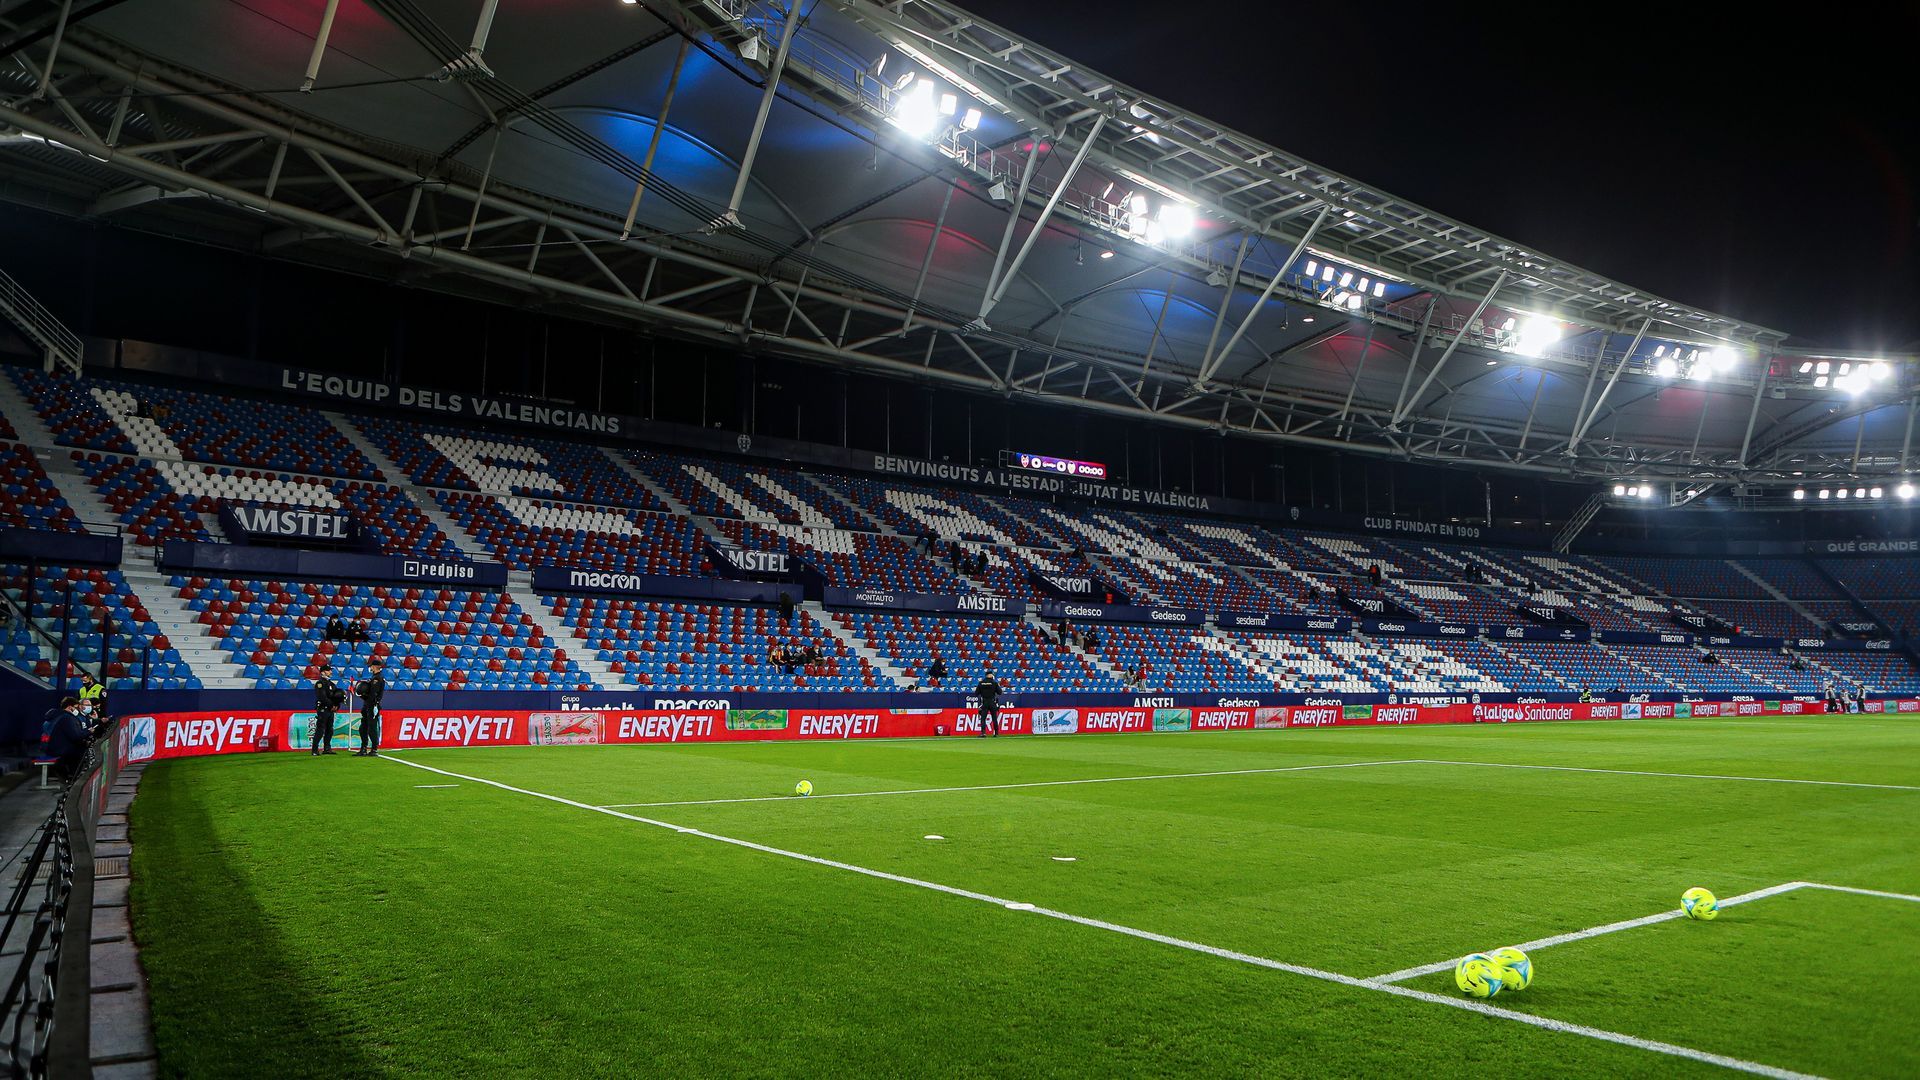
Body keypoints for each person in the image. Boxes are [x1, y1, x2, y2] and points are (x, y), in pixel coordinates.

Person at [40, 697, 93, 778]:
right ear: (69, 707)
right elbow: (76, 736)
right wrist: (89, 732)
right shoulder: (67, 718)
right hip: (57, 749)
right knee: (81, 750)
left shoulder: (56, 715)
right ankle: (74, 777)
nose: (77, 710)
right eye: (75, 708)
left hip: (48, 747)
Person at [354, 659, 386, 756]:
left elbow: (373, 694)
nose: (370, 667)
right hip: (368, 705)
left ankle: (374, 749)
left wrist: (363, 695)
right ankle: (364, 748)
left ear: (375, 667)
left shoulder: (377, 679)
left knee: (372, 728)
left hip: (372, 706)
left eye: (371, 666)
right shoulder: (374, 677)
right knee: (363, 728)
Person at [312, 662, 344, 755]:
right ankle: (314, 749)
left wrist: (337, 705)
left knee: (330, 729)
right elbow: (322, 697)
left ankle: (327, 748)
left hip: (330, 709)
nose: (330, 672)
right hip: (323, 708)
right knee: (320, 729)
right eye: (328, 670)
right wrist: (331, 705)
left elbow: (336, 696)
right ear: (322, 672)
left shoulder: (332, 684)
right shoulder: (320, 683)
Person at [974, 672, 1001, 737]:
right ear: (990, 675)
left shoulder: (981, 683)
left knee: (983, 718)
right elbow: (1000, 692)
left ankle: (983, 733)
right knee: (994, 718)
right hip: (992, 702)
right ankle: (996, 733)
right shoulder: (994, 683)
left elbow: (976, 693)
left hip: (984, 702)